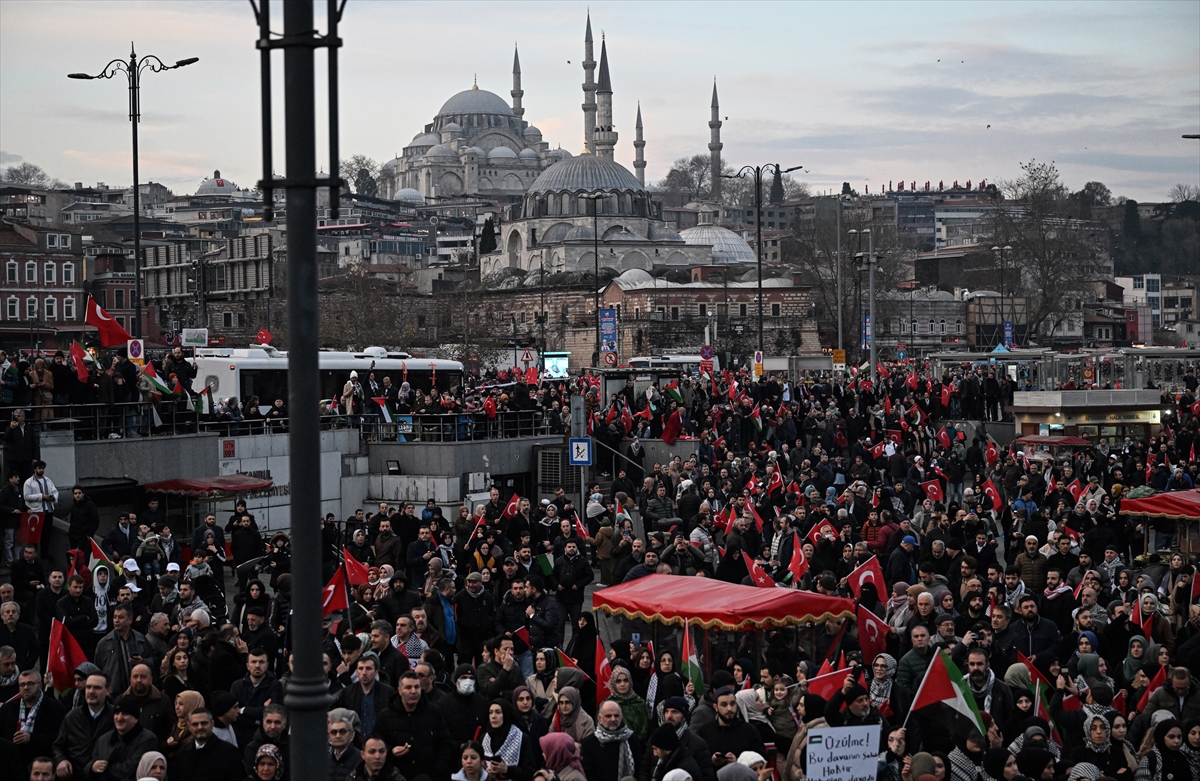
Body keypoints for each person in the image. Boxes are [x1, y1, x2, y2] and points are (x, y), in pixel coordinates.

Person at [51, 671, 113, 780]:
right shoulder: (72, 717)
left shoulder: (117, 716)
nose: (91, 691)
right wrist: (61, 760)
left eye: (97, 688)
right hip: (76, 776)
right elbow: (58, 745)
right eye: (88, 687)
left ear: (108, 690)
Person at [0, 669, 66, 766]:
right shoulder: (8, 707)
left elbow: (59, 738)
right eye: (22, 685)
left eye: (30, 683)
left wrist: (32, 738)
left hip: (43, 762)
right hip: (13, 763)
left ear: (40, 685)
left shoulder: (55, 708)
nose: (26, 687)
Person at [88, 695, 159, 781]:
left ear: (136, 719)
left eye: (125, 714)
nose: (119, 718)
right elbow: (90, 762)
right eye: (117, 713)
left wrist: (106, 770)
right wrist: (92, 767)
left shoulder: (148, 739)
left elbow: (131, 768)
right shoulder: (104, 739)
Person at [480, 698, 541, 780]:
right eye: (490, 712)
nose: (493, 716)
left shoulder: (522, 738)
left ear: (506, 714)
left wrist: (507, 770)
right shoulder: (484, 738)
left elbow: (529, 773)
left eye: (498, 712)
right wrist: (485, 773)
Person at [582, 700, 642, 781]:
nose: (613, 719)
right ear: (600, 718)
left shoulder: (631, 738)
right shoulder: (589, 743)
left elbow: (639, 769)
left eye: (616, 716)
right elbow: (588, 773)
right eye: (608, 716)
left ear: (621, 717)